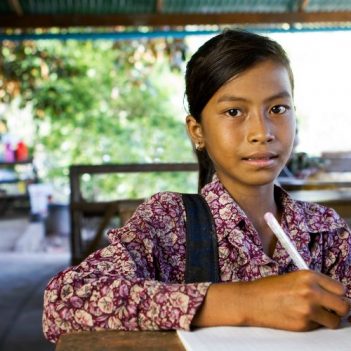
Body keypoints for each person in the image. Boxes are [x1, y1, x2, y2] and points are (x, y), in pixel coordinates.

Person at [43, 29, 351, 343]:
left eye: (277, 109)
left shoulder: (325, 231)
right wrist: (246, 301)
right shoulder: (170, 223)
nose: (262, 131)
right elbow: (63, 300)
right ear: (197, 131)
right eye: (234, 112)